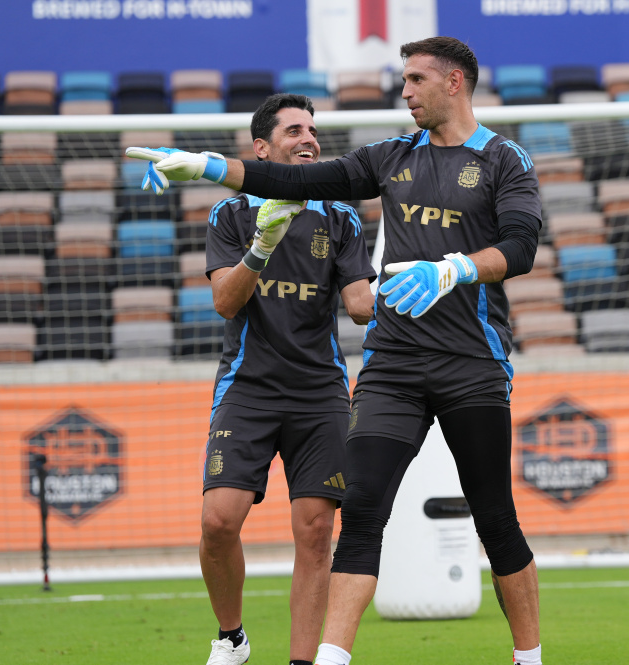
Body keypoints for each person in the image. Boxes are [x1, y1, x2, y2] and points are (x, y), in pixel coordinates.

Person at [127, 36, 544, 665]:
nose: (404, 92)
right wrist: (212, 167)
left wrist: (453, 269)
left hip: (472, 364)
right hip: (392, 365)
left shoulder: (504, 160)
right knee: (362, 510)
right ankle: (327, 659)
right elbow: (294, 178)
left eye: (415, 80)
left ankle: (528, 657)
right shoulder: (389, 156)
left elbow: (522, 246)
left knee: (494, 517)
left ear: (454, 82)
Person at [184, 94, 376, 665]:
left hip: (318, 392)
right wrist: (262, 247)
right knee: (218, 521)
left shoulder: (340, 215)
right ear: (261, 149)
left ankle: (302, 661)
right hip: (248, 386)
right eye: (294, 130)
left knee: (316, 532)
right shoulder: (232, 214)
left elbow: (360, 306)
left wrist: (429, 273)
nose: (309, 139)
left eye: (313, 130)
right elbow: (224, 301)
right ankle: (232, 636)